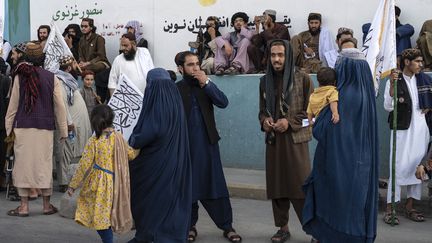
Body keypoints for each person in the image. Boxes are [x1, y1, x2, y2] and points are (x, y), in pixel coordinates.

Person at [302, 45, 379, 243]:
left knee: (336, 207)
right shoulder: (367, 95)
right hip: (362, 164)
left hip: (337, 165)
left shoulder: (340, 96)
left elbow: (320, 130)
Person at [175, 51, 242, 242]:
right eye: (190, 65)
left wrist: (207, 83)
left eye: (197, 64)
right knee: (188, 188)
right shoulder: (176, 89)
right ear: (181, 68)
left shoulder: (206, 85)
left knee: (216, 186)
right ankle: (190, 226)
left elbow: (223, 102)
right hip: (185, 149)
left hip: (208, 146)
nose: (196, 68)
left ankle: (227, 226)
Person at [128, 68, 192, 243]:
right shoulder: (174, 100)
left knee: (153, 200)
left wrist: (133, 138)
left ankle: (152, 235)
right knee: (169, 199)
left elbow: (151, 131)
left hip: (155, 164)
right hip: (174, 160)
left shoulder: (157, 104)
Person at [258, 40, 313, 243]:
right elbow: (262, 111)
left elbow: (312, 115)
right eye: (273, 55)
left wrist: (289, 123)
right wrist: (265, 121)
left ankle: (314, 230)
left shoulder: (303, 79)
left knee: (300, 188)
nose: (276, 59)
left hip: (295, 142)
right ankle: (283, 228)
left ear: (288, 56)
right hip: (273, 141)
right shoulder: (265, 81)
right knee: (277, 186)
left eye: (280, 55)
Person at [5, 42, 68, 216]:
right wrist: (63, 130)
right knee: (44, 164)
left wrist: (8, 128)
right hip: (45, 128)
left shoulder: (19, 76)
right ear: (42, 59)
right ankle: (47, 205)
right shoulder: (51, 77)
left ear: (26, 58)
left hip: (23, 127)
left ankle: (24, 207)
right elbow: (60, 106)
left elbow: (13, 106)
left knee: (23, 165)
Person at [68, 104, 138, 243]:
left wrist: (73, 186)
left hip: (98, 184)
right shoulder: (119, 138)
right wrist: (140, 146)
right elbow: (131, 154)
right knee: (105, 215)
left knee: (100, 217)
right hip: (115, 184)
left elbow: (83, 165)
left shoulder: (94, 141)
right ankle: (109, 238)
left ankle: (108, 240)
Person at [383, 48, 430, 224]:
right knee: (397, 166)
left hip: (420, 128)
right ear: (407, 62)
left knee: (417, 166)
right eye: (417, 61)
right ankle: (390, 208)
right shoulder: (394, 80)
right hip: (402, 128)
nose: (421, 65)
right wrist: (392, 88)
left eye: (421, 61)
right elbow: (388, 106)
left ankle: (411, 207)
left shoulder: (424, 79)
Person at [54, 55, 92, 192]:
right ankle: (64, 182)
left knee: (72, 151)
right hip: (68, 122)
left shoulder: (68, 80)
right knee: (65, 152)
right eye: (75, 64)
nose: (78, 66)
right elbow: (62, 103)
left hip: (74, 122)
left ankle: (71, 179)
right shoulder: (60, 81)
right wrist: (68, 122)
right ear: (69, 67)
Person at [78, 18, 111, 103]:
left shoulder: (99, 38)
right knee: (75, 67)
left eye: (85, 26)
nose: (83, 28)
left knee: (92, 67)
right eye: (82, 26)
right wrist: (81, 62)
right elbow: (80, 55)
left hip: (100, 63)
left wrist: (88, 63)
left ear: (91, 27)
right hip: (87, 65)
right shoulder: (81, 39)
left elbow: (101, 56)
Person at [0, 58, 11, 189]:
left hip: (2, 122)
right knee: (2, 153)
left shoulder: (5, 80)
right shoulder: (6, 80)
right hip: (3, 122)